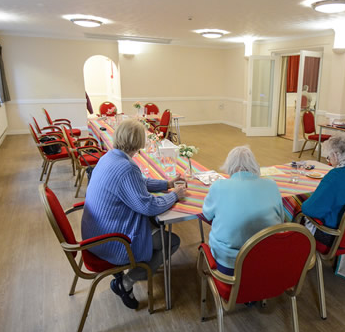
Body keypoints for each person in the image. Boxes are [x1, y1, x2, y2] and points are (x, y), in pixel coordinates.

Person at [81, 118, 187, 309]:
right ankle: (126, 282)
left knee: (154, 224)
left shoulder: (110, 157)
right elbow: (147, 206)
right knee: (172, 241)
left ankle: (132, 272)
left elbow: (138, 183)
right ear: (138, 143)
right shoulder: (126, 167)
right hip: (112, 241)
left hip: (94, 232)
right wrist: (175, 196)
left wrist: (167, 184)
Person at [202, 146, 283, 276]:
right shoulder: (272, 185)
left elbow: (206, 214)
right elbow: (281, 217)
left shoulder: (218, 186)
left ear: (229, 166)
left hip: (230, 264)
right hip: (267, 258)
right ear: (254, 164)